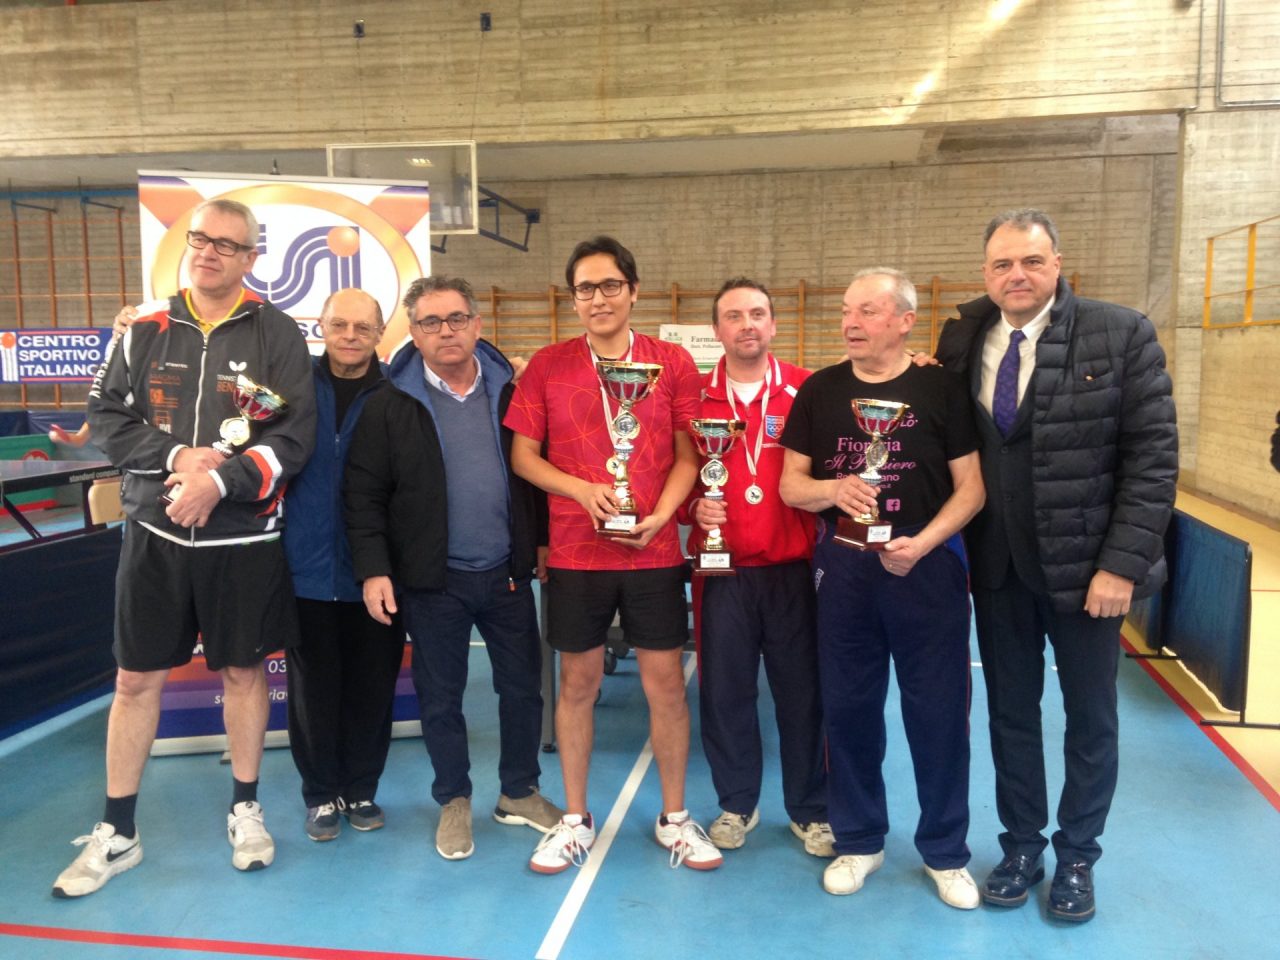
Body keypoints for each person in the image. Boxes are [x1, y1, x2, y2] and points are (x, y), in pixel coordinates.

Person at [56, 198, 316, 897]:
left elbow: (294, 435)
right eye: (201, 238)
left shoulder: (278, 332)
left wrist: (220, 483)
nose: (209, 252)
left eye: (227, 244)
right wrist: (176, 459)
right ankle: (118, 830)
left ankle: (245, 808)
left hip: (244, 537)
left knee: (243, 673)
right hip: (155, 532)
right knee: (134, 680)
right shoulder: (144, 325)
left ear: (250, 258)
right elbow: (105, 414)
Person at [935, 209, 1177, 923]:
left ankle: (1077, 856)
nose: (1017, 275)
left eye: (1032, 261)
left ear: (1058, 264)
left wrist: (1122, 565)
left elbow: (1153, 460)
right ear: (986, 273)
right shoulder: (961, 339)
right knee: (1011, 716)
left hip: (1087, 574)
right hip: (998, 569)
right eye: (1003, 264)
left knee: (1090, 719)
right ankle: (1020, 847)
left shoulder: (1122, 332)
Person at [505, 235, 722, 873]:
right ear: (572, 299)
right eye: (585, 289)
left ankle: (675, 818)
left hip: (653, 553)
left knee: (666, 686)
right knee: (578, 684)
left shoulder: (671, 362)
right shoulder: (548, 366)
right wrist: (582, 490)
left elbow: (689, 456)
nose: (597, 298)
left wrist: (661, 519)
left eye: (609, 286)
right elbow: (523, 457)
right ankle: (575, 819)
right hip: (576, 553)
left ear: (633, 290)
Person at [780, 268, 985, 909]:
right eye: (847, 310)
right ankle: (860, 840)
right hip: (845, 570)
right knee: (849, 710)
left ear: (904, 321)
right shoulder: (820, 390)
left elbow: (972, 490)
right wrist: (833, 489)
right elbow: (791, 486)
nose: (851, 322)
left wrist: (923, 545)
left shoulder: (940, 388)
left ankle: (946, 852)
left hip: (925, 565)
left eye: (868, 311)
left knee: (939, 714)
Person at [344, 275, 563, 862]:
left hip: (507, 573)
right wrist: (374, 569)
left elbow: (537, 472)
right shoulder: (387, 404)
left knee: (523, 690)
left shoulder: (515, 393)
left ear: (477, 324)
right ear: (414, 333)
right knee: (441, 697)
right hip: (432, 580)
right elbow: (363, 494)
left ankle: (519, 792)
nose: (446, 331)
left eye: (457, 319)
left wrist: (540, 542)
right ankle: (454, 799)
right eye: (431, 322)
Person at [682, 277, 832, 856]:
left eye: (757, 314)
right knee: (725, 693)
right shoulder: (693, 397)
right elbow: (673, 474)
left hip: (794, 570)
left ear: (773, 323)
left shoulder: (807, 390)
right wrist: (694, 506)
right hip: (721, 572)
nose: (747, 324)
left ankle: (810, 810)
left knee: (802, 694)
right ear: (716, 329)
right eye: (733, 315)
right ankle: (736, 804)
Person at [283, 288, 404, 841]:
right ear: (322, 328)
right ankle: (320, 793)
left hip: (377, 572)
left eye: (362, 327)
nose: (350, 336)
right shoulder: (290, 388)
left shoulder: (398, 392)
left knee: (373, 687)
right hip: (305, 568)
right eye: (339, 325)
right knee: (313, 691)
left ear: (379, 332)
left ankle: (361, 787)